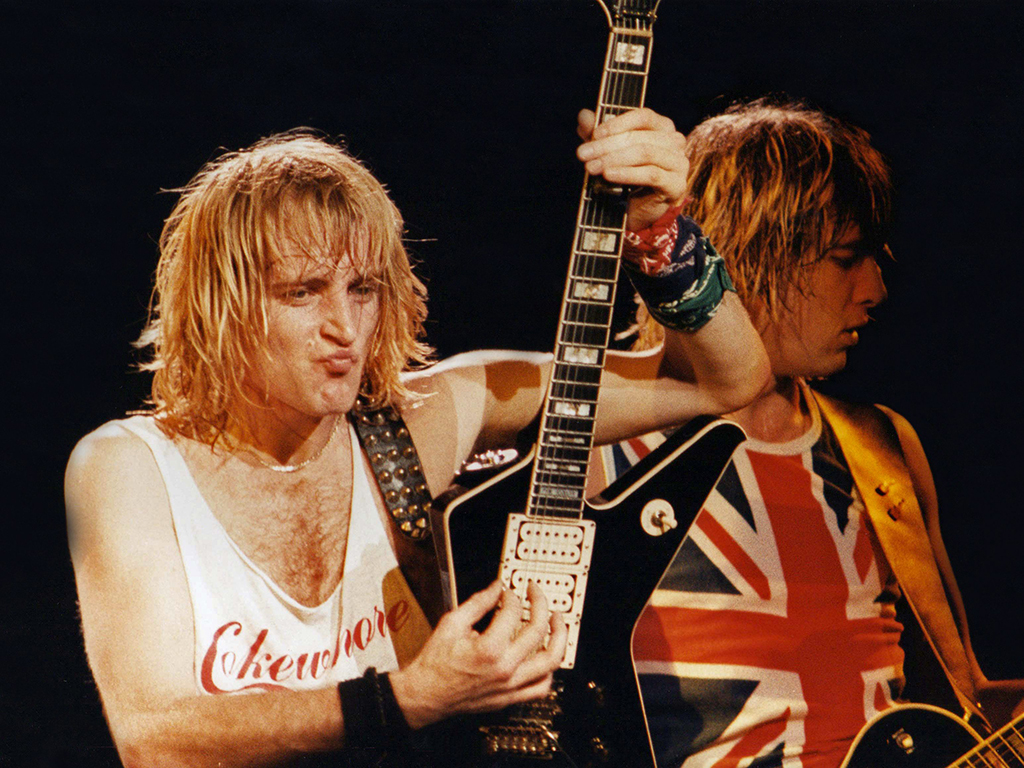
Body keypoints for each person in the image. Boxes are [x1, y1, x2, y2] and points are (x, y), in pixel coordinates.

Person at [64, 108, 770, 767]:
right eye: (303, 292)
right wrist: (409, 699)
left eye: (364, 290)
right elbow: (154, 737)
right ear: (221, 302)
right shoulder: (129, 467)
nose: (344, 327)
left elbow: (726, 381)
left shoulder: (419, 424)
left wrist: (658, 229)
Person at [588, 98, 1024, 768]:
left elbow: (964, 700)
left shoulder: (882, 445)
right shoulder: (593, 447)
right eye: (848, 257)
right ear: (751, 252)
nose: (876, 287)